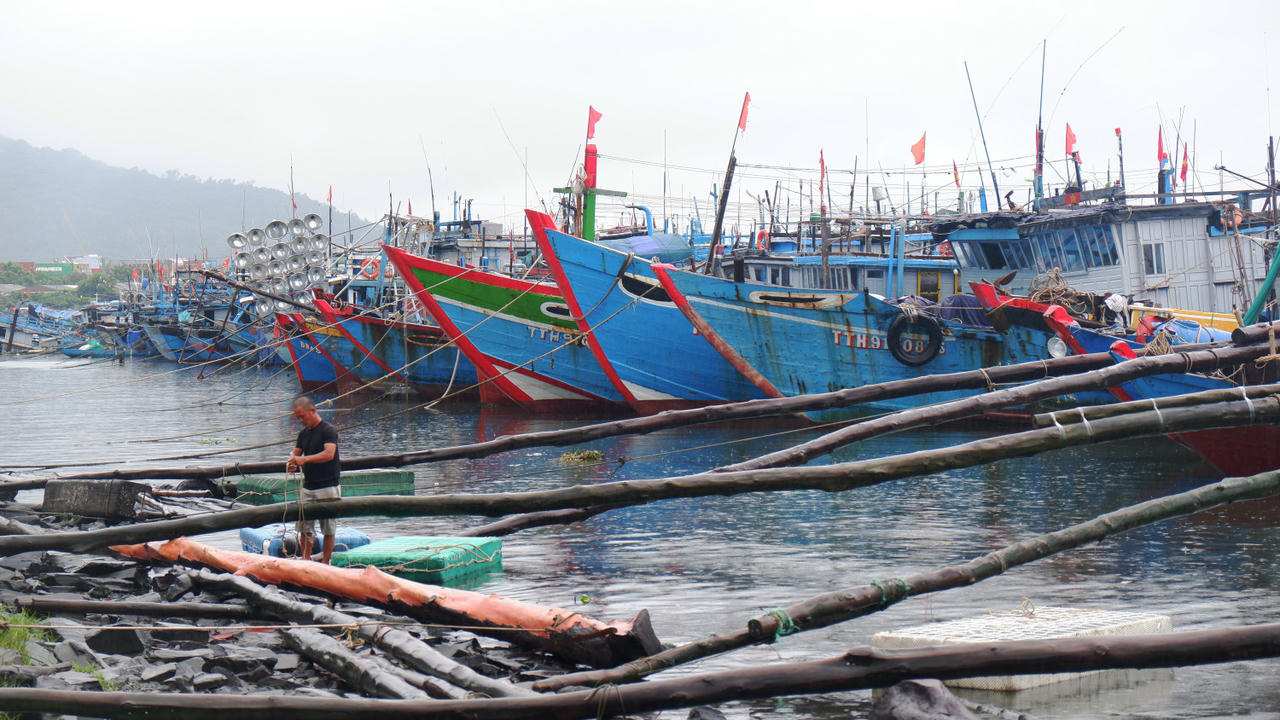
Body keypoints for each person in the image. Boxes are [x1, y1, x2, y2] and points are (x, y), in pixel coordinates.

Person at [286, 395, 340, 563]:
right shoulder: (303, 434)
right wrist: (292, 463)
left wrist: (305, 459)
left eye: (302, 416)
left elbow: (329, 454)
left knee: (328, 528)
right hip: (308, 486)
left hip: (328, 485)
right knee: (304, 527)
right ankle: (305, 559)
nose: (301, 420)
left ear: (313, 411)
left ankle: (325, 563)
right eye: (298, 417)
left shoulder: (328, 430)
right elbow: (295, 454)